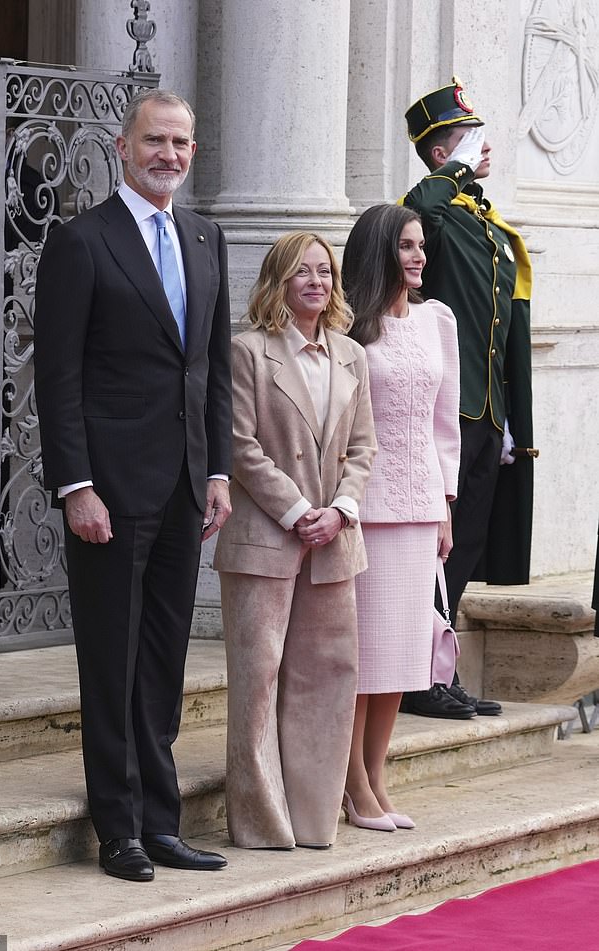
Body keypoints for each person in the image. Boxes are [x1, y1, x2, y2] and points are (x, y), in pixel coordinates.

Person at [34, 88, 233, 881]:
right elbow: (58, 376)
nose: (171, 155)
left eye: (182, 143)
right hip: (108, 496)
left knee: (162, 662)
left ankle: (161, 820)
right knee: (111, 664)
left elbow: (210, 369)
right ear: (122, 146)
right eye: (156, 140)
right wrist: (75, 484)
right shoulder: (81, 242)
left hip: (186, 490)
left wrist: (217, 468)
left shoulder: (205, 236)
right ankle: (117, 828)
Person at [214, 232, 377, 849]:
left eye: (326, 271)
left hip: (335, 540)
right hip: (265, 541)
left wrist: (341, 509)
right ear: (278, 281)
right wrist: (299, 510)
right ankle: (261, 825)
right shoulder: (248, 352)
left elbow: (364, 446)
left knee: (327, 678)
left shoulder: (351, 355)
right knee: (258, 681)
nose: (317, 281)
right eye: (303, 272)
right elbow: (239, 445)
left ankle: (314, 821)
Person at [399, 77, 536, 719]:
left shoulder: (485, 224)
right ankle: (413, 674)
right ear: (439, 153)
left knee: (466, 549)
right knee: (433, 548)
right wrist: (450, 168)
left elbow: (501, 324)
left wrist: (510, 418)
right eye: (467, 139)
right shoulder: (435, 213)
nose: (483, 150)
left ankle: (438, 672)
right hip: (444, 410)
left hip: (485, 412)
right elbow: (413, 205)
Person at [341, 204, 460, 829]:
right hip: (365, 506)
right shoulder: (349, 329)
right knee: (363, 656)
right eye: (405, 246)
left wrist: (445, 504)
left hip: (420, 507)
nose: (417, 256)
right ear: (379, 251)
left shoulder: (438, 321)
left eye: (420, 246)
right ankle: (352, 784)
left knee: (403, 656)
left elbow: (446, 423)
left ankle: (377, 777)